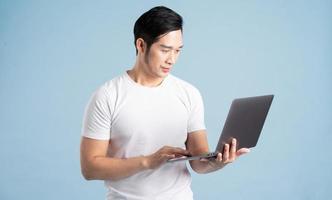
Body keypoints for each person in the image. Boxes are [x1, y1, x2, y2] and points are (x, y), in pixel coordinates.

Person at [80, 6, 249, 200]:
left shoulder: (189, 93)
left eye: (178, 51)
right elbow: (90, 168)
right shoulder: (107, 96)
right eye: (165, 50)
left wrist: (218, 162)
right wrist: (148, 162)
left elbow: (198, 162)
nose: (172, 59)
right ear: (141, 45)